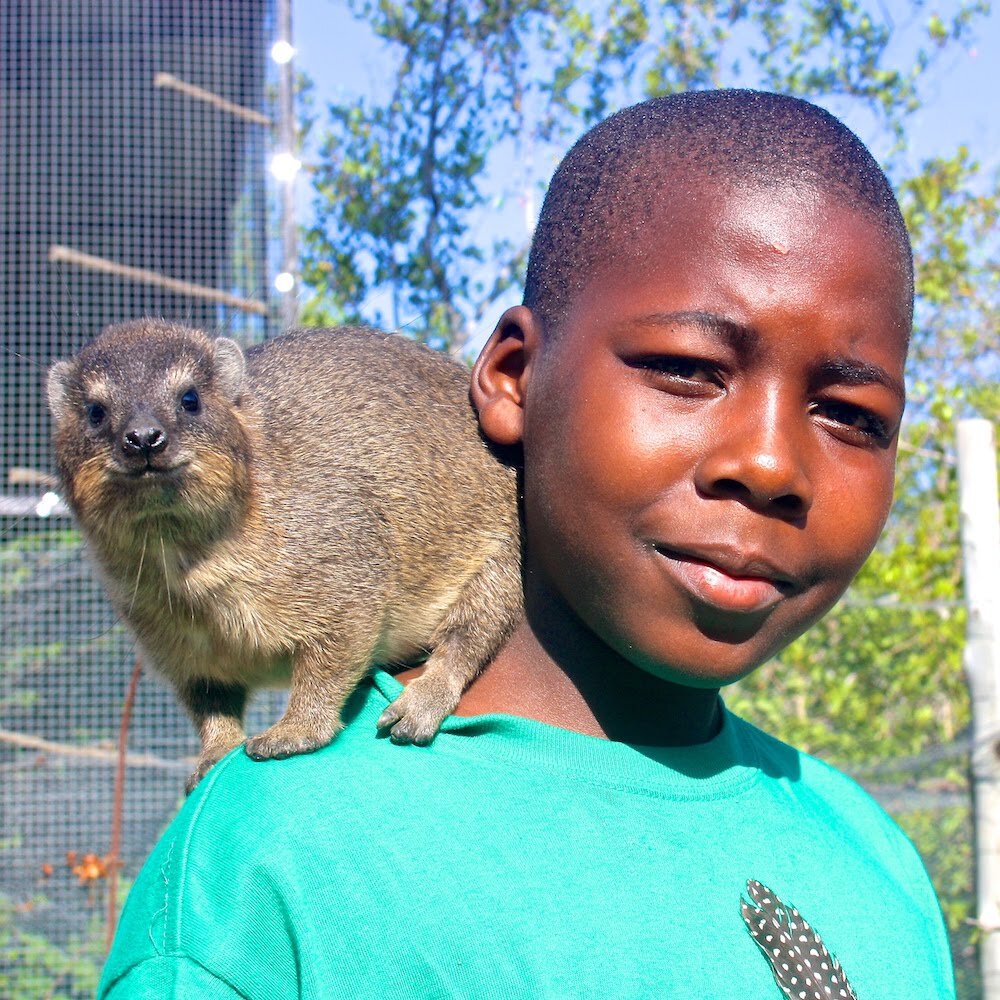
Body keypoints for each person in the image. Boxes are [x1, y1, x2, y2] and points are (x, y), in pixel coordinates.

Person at [97, 89, 955, 998]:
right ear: (513, 378)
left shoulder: (876, 861)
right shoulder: (273, 867)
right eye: (687, 370)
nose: (771, 463)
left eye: (851, 414)